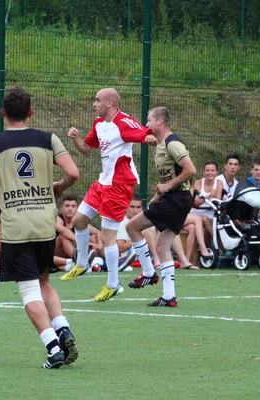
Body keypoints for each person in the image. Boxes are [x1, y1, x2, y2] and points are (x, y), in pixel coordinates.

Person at [0, 87, 80, 369]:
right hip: (45, 223)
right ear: (31, 113)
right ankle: (63, 327)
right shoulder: (48, 139)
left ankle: (53, 347)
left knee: (28, 289)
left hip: (16, 226)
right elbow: (73, 173)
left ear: (3, 113)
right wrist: (59, 187)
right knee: (44, 282)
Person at [59, 87, 157, 303]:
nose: (94, 104)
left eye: (97, 100)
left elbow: (143, 132)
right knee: (79, 220)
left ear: (110, 103)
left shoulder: (123, 122)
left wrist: (149, 138)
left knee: (107, 237)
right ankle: (82, 264)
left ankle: (113, 285)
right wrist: (76, 138)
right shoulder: (98, 124)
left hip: (119, 185)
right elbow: (86, 148)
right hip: (103, 182)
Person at [126, 106, 196, 306]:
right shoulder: (162, 144)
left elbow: (190, 169)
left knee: (131, 226)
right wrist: (160, 193)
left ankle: (148, 272)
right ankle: (168, 296)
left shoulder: (173, 143)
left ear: (160, 122)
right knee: (162, 246)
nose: (146, 124)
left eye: (148, 120)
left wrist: (169, 186)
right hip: (176, 198)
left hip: (176, 198)